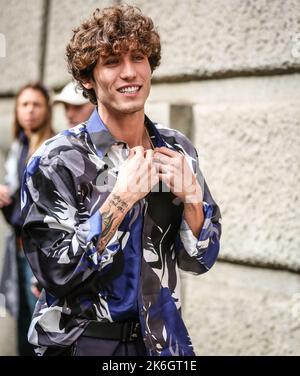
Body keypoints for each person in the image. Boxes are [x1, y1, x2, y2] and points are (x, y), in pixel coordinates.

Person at [21, 5, 221, 356]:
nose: (130, 73)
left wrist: (193, 201)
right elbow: (55, 273)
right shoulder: (57, 160)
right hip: (81, 344)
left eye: (138, 57)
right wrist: (121, 198)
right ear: (88, 78)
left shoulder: (177, 149)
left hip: (163, 344)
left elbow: (198, 261)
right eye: (112, 61)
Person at [0, 82, 55, 355]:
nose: (30, 111)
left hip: (42, 252)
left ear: (47, 110)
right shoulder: (18, 146)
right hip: (19, 247)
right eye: (24, 104)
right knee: (22, 321)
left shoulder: (53, 148)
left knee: (40, 328)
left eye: (36, 104)